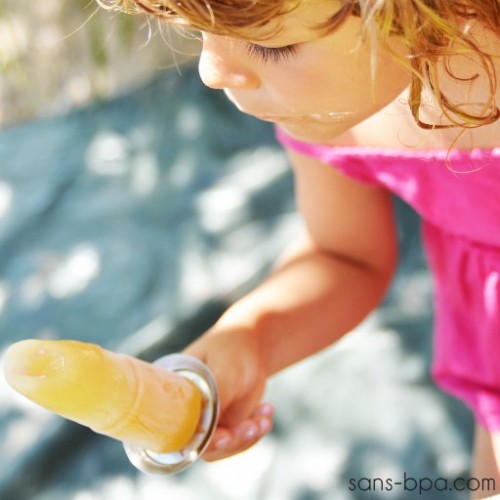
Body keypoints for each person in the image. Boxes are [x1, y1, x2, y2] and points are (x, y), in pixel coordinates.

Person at [103, 0, 500, 496]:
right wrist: (252, 336)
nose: (211, 72)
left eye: (271, 44)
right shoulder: (339, 105)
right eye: (201, 31)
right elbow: (345, 255)